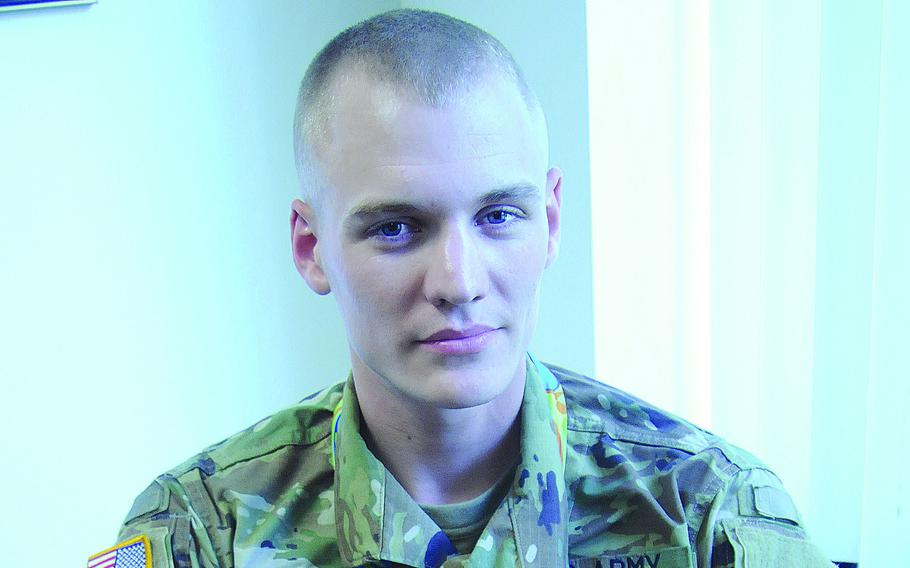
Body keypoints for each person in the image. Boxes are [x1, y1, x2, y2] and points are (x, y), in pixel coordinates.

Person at [89, 9, 835, 568]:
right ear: (312, 249)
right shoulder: (200, 531)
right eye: (396, 228)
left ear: (548, 223)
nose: (458, 281)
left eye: (498, 215)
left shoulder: (704, 514)